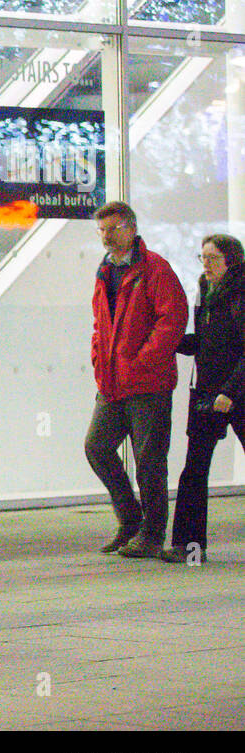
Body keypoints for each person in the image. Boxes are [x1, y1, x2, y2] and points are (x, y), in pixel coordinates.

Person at [85, 201, 188, 558]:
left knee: (149, 461)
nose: (106, 237)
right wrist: (99, 358)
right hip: (112, 383)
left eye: (112, 229)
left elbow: (171, 320)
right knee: (96, 448)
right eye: (102, 231)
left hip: (148, 385)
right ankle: (130, 520)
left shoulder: (154, 268)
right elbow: (101, 325)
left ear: (130, 229)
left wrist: (144, 360)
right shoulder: (105, 271)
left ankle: (151, 535)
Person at [166, 234, 245, 565]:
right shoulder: (205, 288)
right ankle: (189, 546)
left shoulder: (241, 292)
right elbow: (205, 340)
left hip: (236, 392)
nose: (206, 265)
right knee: (194, 469)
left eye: (212, 258)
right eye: (203, 258)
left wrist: (230, 390)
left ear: (232, 261)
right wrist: (169, 341)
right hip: (206, 393)